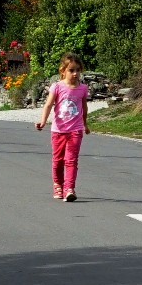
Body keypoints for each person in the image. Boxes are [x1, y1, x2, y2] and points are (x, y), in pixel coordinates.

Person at [35, 53, 90, 202]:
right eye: (71, 70)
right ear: (63, 71)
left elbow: (84, 108)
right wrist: (43, 121)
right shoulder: (57, 87)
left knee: (71, 160)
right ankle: (58, 185)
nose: (75, 73)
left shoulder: (83, 89)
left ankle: (69, 188)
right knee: (58, 159)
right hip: (58, 130)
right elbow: (48, 105)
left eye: (78, 70)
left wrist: (85, 125)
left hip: (75, 130)